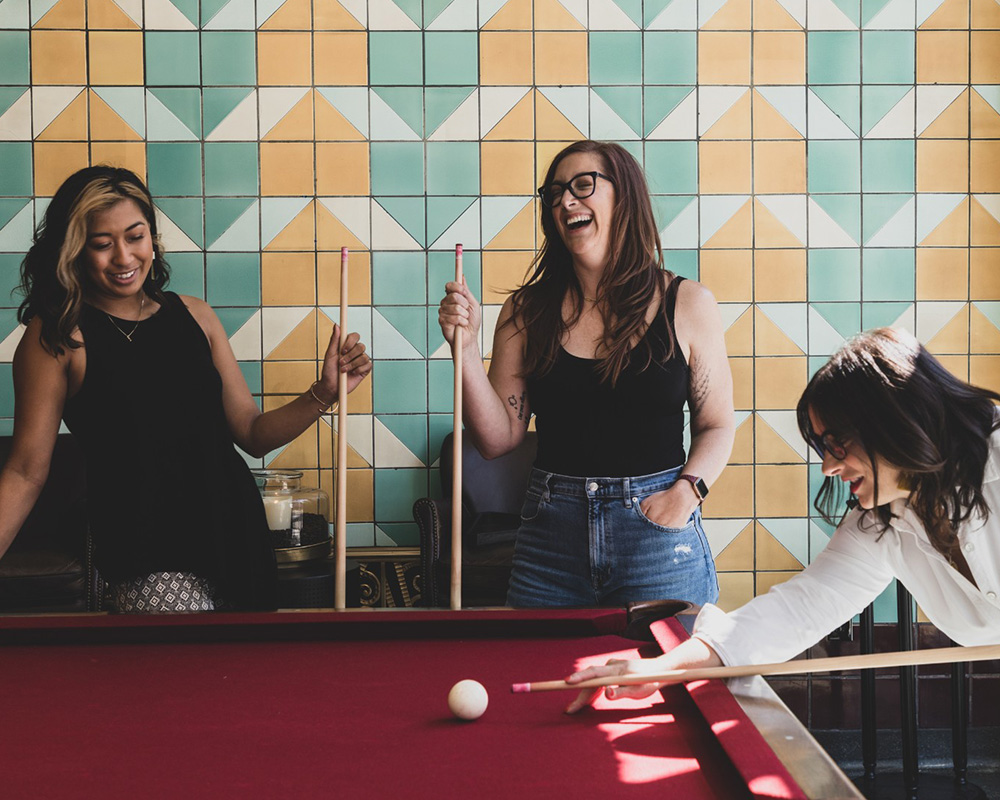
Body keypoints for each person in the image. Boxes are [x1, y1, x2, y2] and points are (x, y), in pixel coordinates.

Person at [565, 327, 1000, 712]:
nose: (829, 466)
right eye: (823, 448)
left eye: (838, 444)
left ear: (893, 423)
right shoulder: (882, 519)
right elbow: (800, 608)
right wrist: (662, 669)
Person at [0, 166, 371, 612]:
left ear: (153, 240)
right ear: (74, 250)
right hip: (148, 554)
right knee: (184, 677)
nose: (123, 257)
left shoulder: (196, 316)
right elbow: (25, 472)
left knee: (245, 678)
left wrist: (324, 392)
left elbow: (251, 434)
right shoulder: (59, 336)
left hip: (236, 535)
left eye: (135, 236)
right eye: (102, 244)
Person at [438, 140, 734, 607]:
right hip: (549, 539)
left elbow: (717, 424)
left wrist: (687, 492)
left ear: (625, 196)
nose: (565, 201)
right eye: (554, 193)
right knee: (540, 675)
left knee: (668, 675)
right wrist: (466, 350)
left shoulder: (689, 304)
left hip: (656, 534)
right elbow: (497, 440)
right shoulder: (525, 312)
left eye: (582, 186)